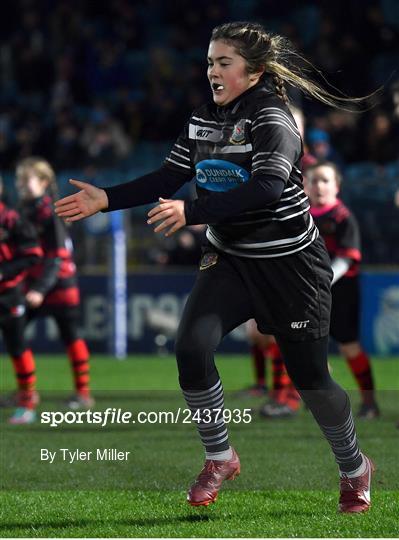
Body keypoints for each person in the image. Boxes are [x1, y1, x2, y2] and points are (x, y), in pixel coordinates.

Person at [55, 22, 376, 513]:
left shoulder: (274, 119)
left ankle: (354, 466)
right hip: (229, 259)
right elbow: (169, 175)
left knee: (311, 381)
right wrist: (107, 199)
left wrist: (192, 212)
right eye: (209, 62)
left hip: (292, 267)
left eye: (224, 62)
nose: (213, 71)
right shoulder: (202, 118)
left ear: (255, 71)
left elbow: (267, 187)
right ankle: (220, 456)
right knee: (191, 347)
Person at [15, 157, 94, 410]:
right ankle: (26, 394)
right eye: (19, 181)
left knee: (70, 336)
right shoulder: (24, 211)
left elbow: (57, 256)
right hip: (35, 284)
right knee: (14, 332)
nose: (21, 186)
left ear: (44, 182)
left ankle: (83, 394)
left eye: (26, 181)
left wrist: (39, 288)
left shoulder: (51, 212)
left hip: (58, 285)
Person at [307, 161, 380, 418]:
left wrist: (322, 280)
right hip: (309, 291)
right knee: (309, 346)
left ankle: (369, 402)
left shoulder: (342, 217)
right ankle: (319, 400)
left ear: (337, 186)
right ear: (304, 185)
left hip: (341, 290)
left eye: (325, 180)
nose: (318, 186)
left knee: (349, 346)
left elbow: (346, 259)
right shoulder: (300, 215)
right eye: (314, 180)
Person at [0, 175, 43, 424]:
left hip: (9, 294)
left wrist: (5, 272)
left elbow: (33, 254)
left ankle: (27, 404)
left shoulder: (12, 219)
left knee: (17, 347)